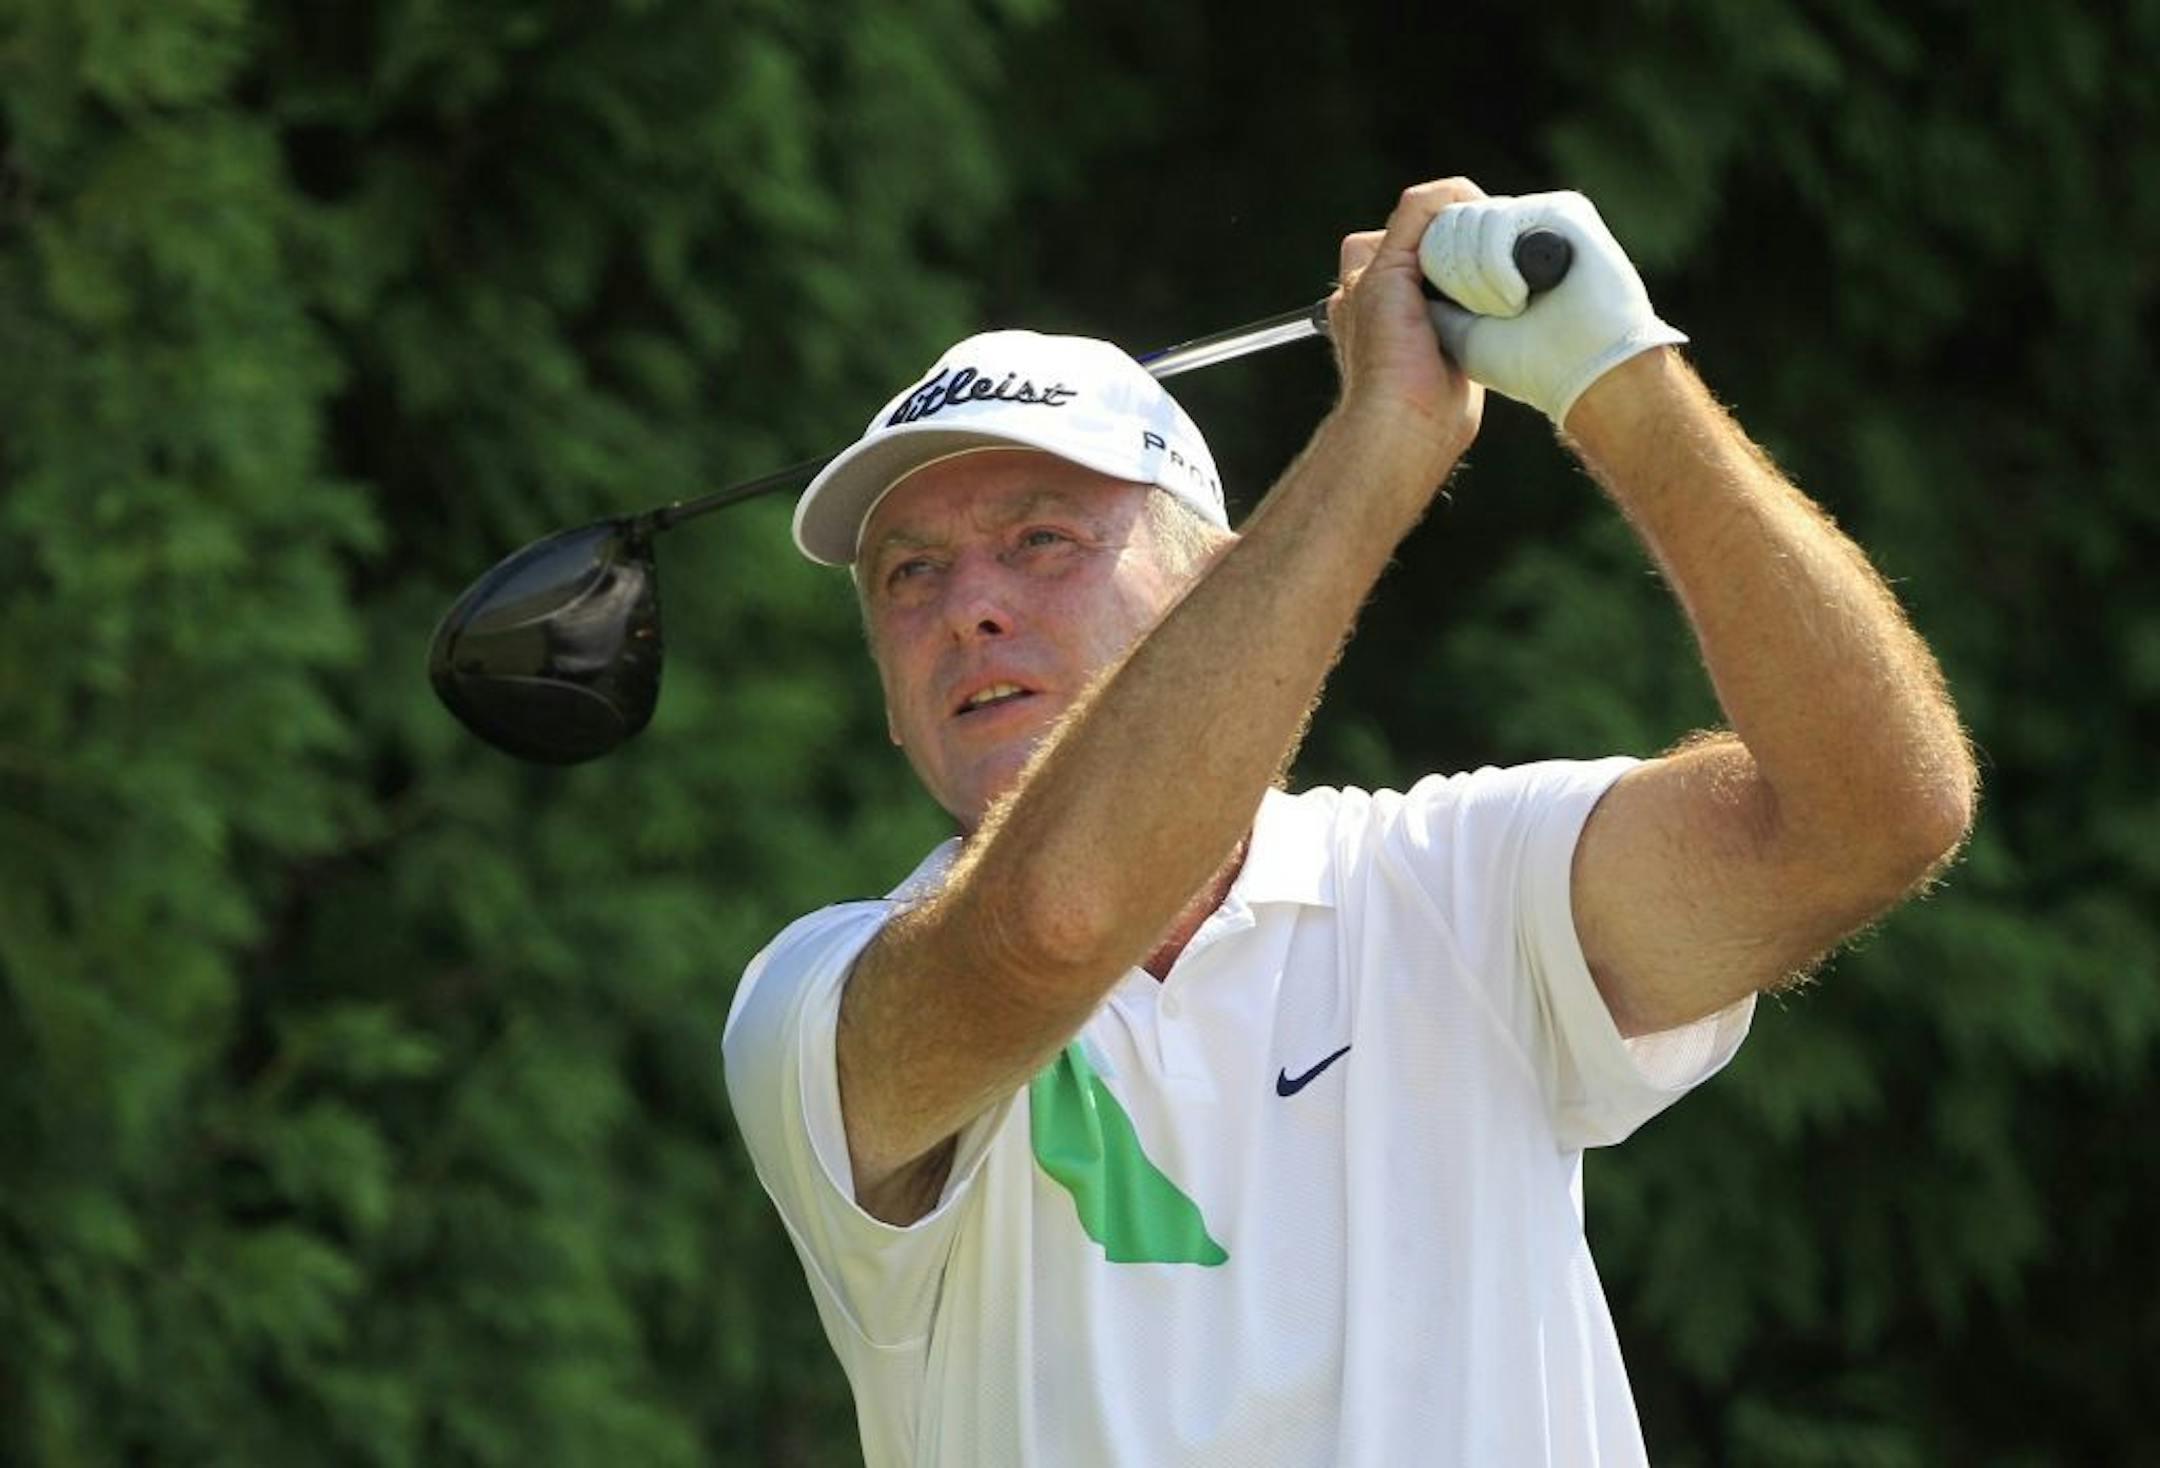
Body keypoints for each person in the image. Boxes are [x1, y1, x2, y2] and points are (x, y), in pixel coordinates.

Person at [721, 178, 1976, 1467]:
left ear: (1211, 581)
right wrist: (1384, 439)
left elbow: (1874, 815)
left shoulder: (1463, 884)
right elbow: (1057, 922)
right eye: (909, 573)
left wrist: (1623, 382)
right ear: (883, 686)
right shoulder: (814, 1004)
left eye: (1041, 538)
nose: (968, 607)